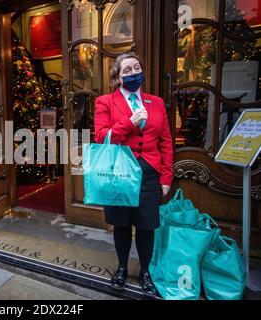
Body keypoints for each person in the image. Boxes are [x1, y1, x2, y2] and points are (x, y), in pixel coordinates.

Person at [94, 53, 173, 296]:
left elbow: (166, 141)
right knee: (121, 224)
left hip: (149, 173)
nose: (133, 73)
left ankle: (145, 272)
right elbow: (101, 137)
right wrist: (130, 121)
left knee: (146, 226)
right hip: (119, 172)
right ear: (118, 77)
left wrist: (166, 177)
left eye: (137, 68)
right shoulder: (105, 102)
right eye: (127, 70)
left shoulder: (156, 102)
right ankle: (121, 268)